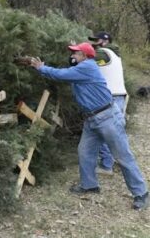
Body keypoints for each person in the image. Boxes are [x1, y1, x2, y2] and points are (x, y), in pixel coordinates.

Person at [26, 42, 148, 210]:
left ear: (84, 56)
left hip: (107, 118)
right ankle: (89, 185)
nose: (72, 57)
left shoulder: (88, 67)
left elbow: (61, 74)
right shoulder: (82, 68)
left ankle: (141, 193)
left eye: (75, 54)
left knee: (122, 156)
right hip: (92, 119)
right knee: (85, 151)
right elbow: (69, 72)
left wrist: (41, 68)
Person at [88, 31, 128, 175]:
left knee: (105, 129)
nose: (94, 44)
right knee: (116, 130)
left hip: (110, 96)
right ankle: (121, 160)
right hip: (119, 95)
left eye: (96, 41)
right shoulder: (114, 54)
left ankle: (106, 165)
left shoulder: (104, 52)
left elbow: (86, 58)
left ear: (104, 41)